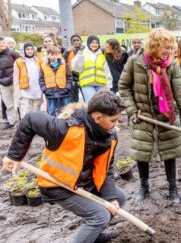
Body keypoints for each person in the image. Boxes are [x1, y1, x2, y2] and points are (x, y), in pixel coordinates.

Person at [2, 91, 126, 243]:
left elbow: (106, 170)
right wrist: (14, 155)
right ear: (98, 118)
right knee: (100, 216)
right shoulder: (65, 129)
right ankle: (93, 232)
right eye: (114, 121)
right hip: (57, 185)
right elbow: (30, 119)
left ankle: (94, 236)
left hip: (83, 182)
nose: (116, 125)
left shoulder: (109, 138)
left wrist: (110, 198)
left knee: (118, 197)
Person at [119, 29, 181, 203]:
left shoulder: (172, 65)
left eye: (171, 47)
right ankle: (144, 187)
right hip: (143, 117)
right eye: (166, 46)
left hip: (166, 116)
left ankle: (173, 188)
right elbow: (123, 87)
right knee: (142, 154)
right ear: (154, 45)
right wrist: (132, 110)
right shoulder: (134, 62)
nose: (170, 50)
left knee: (170, 154)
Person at [72, 35, 112, 103]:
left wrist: (109, 86)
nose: (94, 44)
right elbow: (76, 68)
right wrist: (79, 56)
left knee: (101, 104)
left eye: (96, 43)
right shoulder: (82, 53)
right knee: (91, 103)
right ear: (88, 43)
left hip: (101, 84)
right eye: (92, 43)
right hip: (87, 84)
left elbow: (106, 71)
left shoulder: (101, 55)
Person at [39, 46, 72, 117]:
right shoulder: (43, 66)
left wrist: (67, 88)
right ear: (47, 55)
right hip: (50, 92)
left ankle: (65, 125)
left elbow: (69, 77)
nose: (54, 56)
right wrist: (45, 90)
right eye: (52, 54)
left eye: (56, 54)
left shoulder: (64, 65)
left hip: (63, 91)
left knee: (66, 110)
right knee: (51, 111)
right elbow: (41, 79)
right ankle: (52, 126)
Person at [13, 43, 43, 118]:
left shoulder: (37, 60)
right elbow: (15, 79)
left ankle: (35, 128)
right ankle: (25, 129)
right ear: (23, 50)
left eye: (31, 49)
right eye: (27, 49)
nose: (30, 51)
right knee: (25, 112)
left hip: (37, 90)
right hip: (25, 92)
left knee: (36, 112)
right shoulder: (18, 61)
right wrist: (18, 94)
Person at [0, 36, 21, 129]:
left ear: (5, 43)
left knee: (18, 102)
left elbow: (21, 66)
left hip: (14, 82)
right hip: (2, 83)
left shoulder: (13, 53)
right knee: (8, 104)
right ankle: (12, 121)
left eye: (2, 43)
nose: (1, 45)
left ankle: (21, 121)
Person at [63, 35, 85, 102]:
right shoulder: (68, 51)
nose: (76, 42)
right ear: (71, 42)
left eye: (77, 40)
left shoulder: (85, 50)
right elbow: (61, 61)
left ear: (81, 41)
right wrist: (66, 52)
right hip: (72, 78)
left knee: (87, 98)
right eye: (74, 40)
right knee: (73, 101)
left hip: (83, 77)